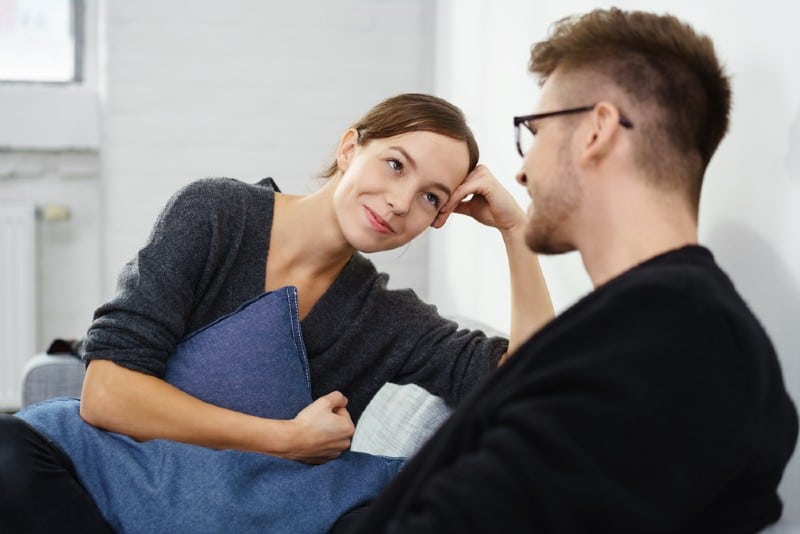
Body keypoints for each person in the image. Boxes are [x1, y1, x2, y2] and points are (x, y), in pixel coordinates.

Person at [332, 9, 799, 533]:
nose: (523, 170)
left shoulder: (671, 343)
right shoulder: (650, 327)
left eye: (533, 131)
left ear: (595, 131)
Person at [0, 93, 553, 532]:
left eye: (433, 197)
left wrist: (517, 232)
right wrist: (285, 439)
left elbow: (528, 386)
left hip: (237, 511)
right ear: (348, 149)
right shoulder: (216, 214)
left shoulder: (385, 320)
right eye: (394, 165)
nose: (400, 202)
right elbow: (106, 393)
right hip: (86, 466)